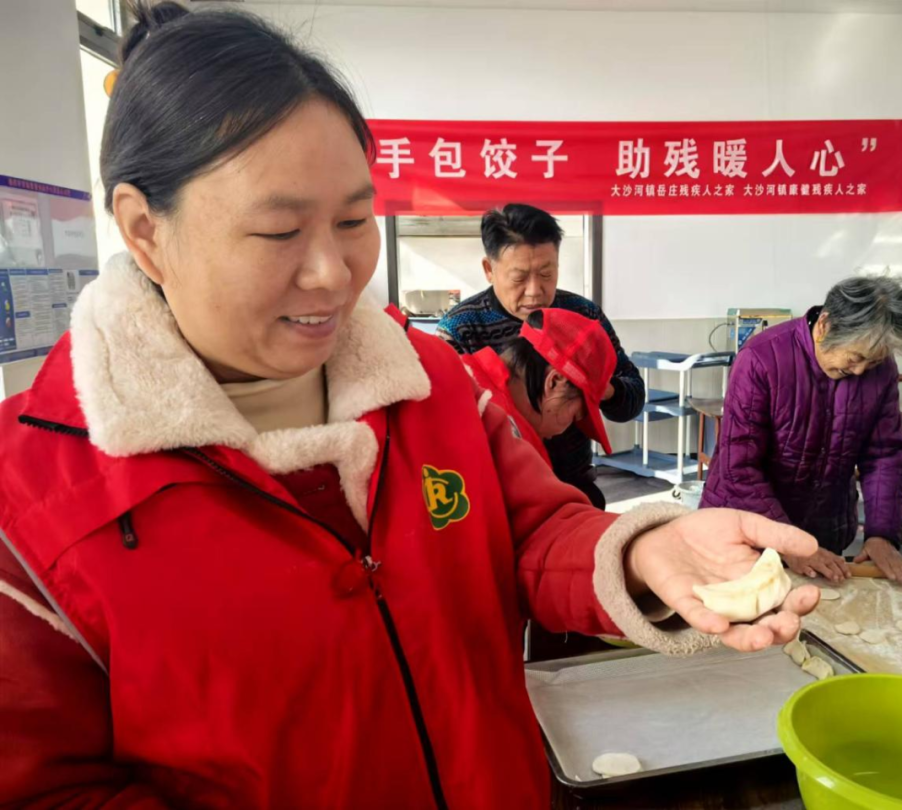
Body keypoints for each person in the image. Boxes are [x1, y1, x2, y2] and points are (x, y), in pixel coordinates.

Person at [0, 5, 820, 808]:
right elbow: (44, 784)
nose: (333, 272)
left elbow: (532, 530)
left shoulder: (431, 380)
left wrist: (645, 554)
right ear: (145, 231)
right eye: (279, 232)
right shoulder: (28, 502)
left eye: (356, 220)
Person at [700, 276, 902, 584]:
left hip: (823, 533)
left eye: (871, 363)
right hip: (745, 532)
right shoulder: (761, 359)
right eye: (856, 358)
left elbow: (884, 455)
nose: (859, 371)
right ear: (825, 325)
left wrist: (882, 533)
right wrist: (786, 540)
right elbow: (739, 467)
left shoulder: (880, 370)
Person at [437, 204, 644, 509]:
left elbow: (633, 398)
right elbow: (448, 430)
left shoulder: (582, 315)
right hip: (500, 495)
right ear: (489, 270)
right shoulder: (459, 329)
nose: (535, 292)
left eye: (547, 274)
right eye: (519, 278)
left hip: (574, 485)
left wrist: (591, 385)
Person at [462, 308, 616, 467]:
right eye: (575, 415)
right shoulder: (511, 446)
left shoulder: (457, 373)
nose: (563, 431)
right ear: (555, 381)